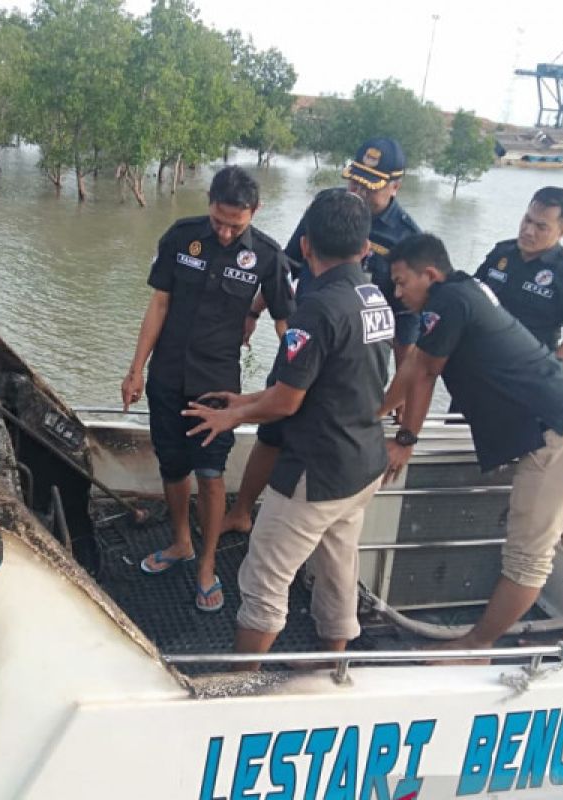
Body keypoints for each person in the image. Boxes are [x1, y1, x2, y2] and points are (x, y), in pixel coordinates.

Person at [381, 233, 563, 653]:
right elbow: (417, 361)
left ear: (430, 274)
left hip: (557, 434)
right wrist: (378, 412)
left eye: (402, 282)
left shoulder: (447, 302)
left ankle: (475, 648)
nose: (398, 293)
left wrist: (405, 439)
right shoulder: (468, 289)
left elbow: (425, 373)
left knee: (528, 556)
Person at [183, 188, 391, 665]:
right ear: (364, 248)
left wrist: (231, 415)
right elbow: (326, 383)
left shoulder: (317, 309)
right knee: (339, 569)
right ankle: (331, 666)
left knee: (263, 581)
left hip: (314, 473)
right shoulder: (373, 296)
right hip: (362, 464)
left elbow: (288, 400)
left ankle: (240, 685)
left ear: (305, 246)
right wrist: (247, 399)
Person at [121, 166, 294, 612]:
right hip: (166, 376)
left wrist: (301, 373)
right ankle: (180, 542)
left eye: (235, 224)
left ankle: (207, 564)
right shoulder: (182, 237)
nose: (223, 231)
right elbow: (159, 303)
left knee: (212, 475)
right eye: (218, 219)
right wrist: (136, 369)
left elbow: (284, 321)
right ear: (209, 203)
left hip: (218, 387)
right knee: (172, 466)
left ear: (254, 213)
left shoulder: (269, 257)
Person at [225, 136, 417, 537]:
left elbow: (405, 326)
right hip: (305, 335)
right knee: (272, 430)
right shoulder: (327, 208)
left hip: (353, 360)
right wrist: (254, 310)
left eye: (372, 185)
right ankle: (243, 511)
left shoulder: (406, 240)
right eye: (356, 181)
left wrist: (403, 397)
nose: (359, 191)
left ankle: (302, 529)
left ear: (396, 186)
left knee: (327, 439)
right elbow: (288, 267)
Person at [473, 186, 563, 363]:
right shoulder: (502, 253)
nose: (528, 231)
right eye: (527, 220)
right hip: (481, 356)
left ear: (562, 232)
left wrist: (551, 374)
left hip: (525, 367)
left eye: (541, 227)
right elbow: (473, 294)